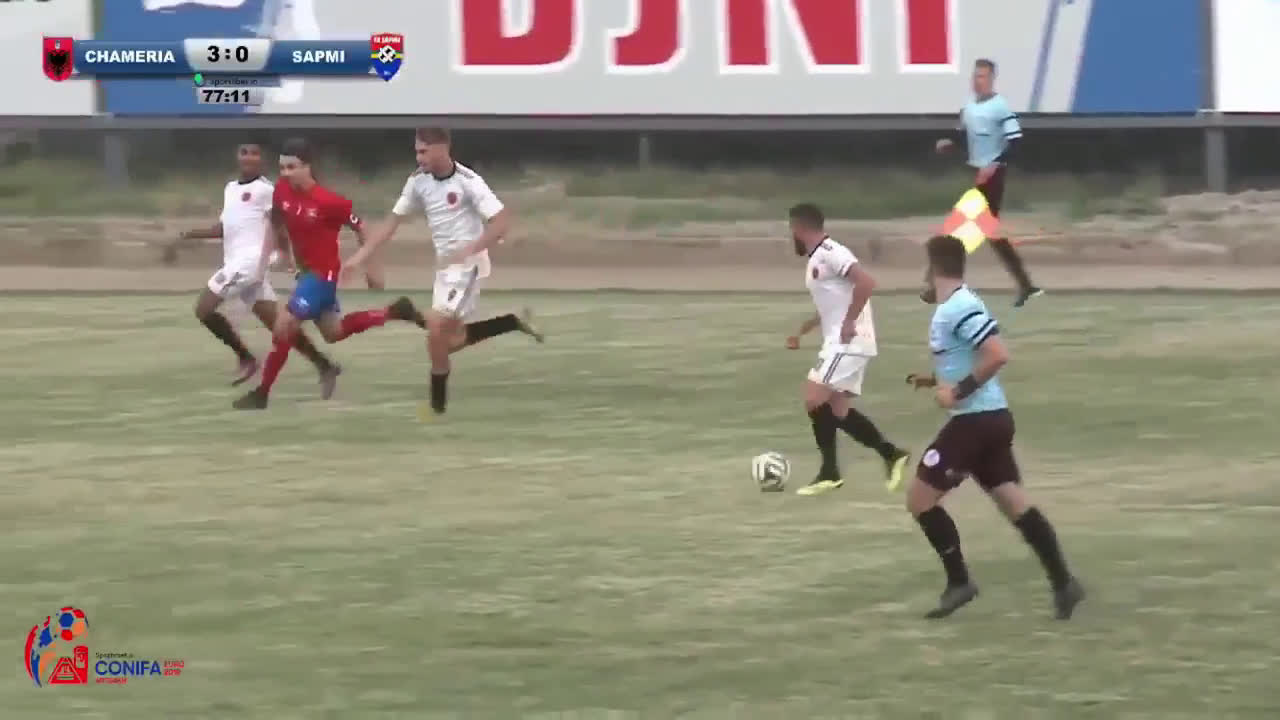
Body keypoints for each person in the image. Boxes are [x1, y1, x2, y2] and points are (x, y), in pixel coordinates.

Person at [905, 235, 1084, 619]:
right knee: (1013, 503)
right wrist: (935, 380)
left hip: (975, 421)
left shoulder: (958, 306)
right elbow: (968, 358)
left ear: (934, 268)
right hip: (991, 419)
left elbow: (998, 354)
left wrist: (957, 393)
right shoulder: (956, 305)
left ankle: (960, 582)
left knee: (920, 500)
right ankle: (1064, 583)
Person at [345, 127, 543, 417]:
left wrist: (470, 249)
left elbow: (501, 222)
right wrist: (358, 258)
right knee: (445, 341)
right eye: (416, 151)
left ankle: (436, 408)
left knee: (437, 331)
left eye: (423, 151)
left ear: (443, 148)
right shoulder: (417, 182)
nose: (418, 157)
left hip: (469, 267)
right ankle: (508, 322)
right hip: (445, 269)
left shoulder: (468, 181)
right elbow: (390, 224)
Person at [232, 137, 425, 410]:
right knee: (334, 332)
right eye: (282, 167)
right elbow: (275, 224)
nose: (285, 173)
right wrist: (266, 262)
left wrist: (369, 267)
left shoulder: (330, 202)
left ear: (307, 166)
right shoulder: (282, 191)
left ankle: (261, 394)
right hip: (306, 275)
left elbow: (363, 229)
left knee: (284, 324)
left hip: (323, 277)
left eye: (292, 167)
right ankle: (393, 312)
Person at [175, 141, 337, 392]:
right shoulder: (230, 188)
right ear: (237, 156)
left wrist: (289, 256)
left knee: (204, 309)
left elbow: (279, 225)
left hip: (250, 263)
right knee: (279, 326)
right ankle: (325, 365)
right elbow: (225, 228)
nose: (249, 157)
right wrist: (191, 234)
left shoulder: (266, 190)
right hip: (238, 264)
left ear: (261, 159)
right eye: (244, 152)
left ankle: (246, 359)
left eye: (254, 153)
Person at [784, 203, 911, 496]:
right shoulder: (817, 259)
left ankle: (830, 473)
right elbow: (833, 305)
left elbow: (866, 282)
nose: (791, 235)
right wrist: (803, 331)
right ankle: (891, 454)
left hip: (848, 341)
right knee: (838, 410)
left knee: (814, 398)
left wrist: (850, 321)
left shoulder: (831, 252)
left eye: (791, 228)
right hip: (845, 341)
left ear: (799, 228)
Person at [934, 58, 1042, 307]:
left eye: (982, 76)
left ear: (992, 79)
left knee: (959, 230)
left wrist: (993, 165)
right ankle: (1027, 286)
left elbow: (1015, 142)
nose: (977, 81)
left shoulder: (1000, 107)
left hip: (992, 178)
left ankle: (939, 287)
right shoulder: (969, 107)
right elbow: (964, 137)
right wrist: (950, 144)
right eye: (975, 76)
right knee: (989, 233)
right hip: (975, 173)